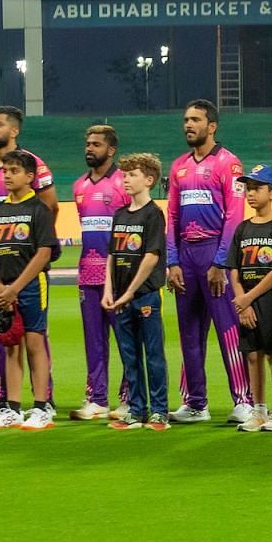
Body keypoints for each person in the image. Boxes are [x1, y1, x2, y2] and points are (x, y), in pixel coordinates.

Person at [167, 101, 254, 425]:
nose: (188, 125)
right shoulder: (178, 167)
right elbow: (172, 215)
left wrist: (221, 261)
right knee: (189, 333)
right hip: (187, 256)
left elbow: (234, 215)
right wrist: (172, 261)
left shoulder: (229, 164)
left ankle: (243, 400)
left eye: (195, 120)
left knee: (228, 330)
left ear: (212, 126)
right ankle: (195, 403)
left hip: (214, 253)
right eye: (186, 119)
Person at [0, 106, 58, 421]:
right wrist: (0, 286)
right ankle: (8, 403)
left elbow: (49, 225)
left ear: (15, 130)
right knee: (7, 340)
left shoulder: (36, 198)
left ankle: (43, 403)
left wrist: (19, 282)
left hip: (30, 278)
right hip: (1, 282)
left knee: (34, 340)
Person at [227, 165, 272, 433]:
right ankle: (258, 410)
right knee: (252, 354)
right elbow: (233, 268)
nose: (251, 193)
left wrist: (249, 297)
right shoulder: (242, 229)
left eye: (257, 188)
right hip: (247, 300)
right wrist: (241, 299)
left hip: (271, 299)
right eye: (248, 188)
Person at [105, 154, 170, 431]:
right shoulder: (120, 214)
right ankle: (135, 409)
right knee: (129, 356)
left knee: (153, 354)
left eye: (132, 175)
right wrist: (108, 290)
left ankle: (159, 411)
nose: (125, 180)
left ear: (149, 180)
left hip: (144, 296)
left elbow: (152, 257)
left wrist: (129, 291)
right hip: (120, 298)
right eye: (124, 175)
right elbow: (112, 255)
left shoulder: (154, 214)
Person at [71, 124, 129, 422]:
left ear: (111, 149)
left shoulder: (122, 183)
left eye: (96, 144)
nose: (89, 148)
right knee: (93, 341)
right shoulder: (79, 186)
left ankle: (130, 397)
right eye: (87, 143)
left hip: (117, 277)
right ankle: (97, 398)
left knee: (125, 339)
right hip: (87, 274)